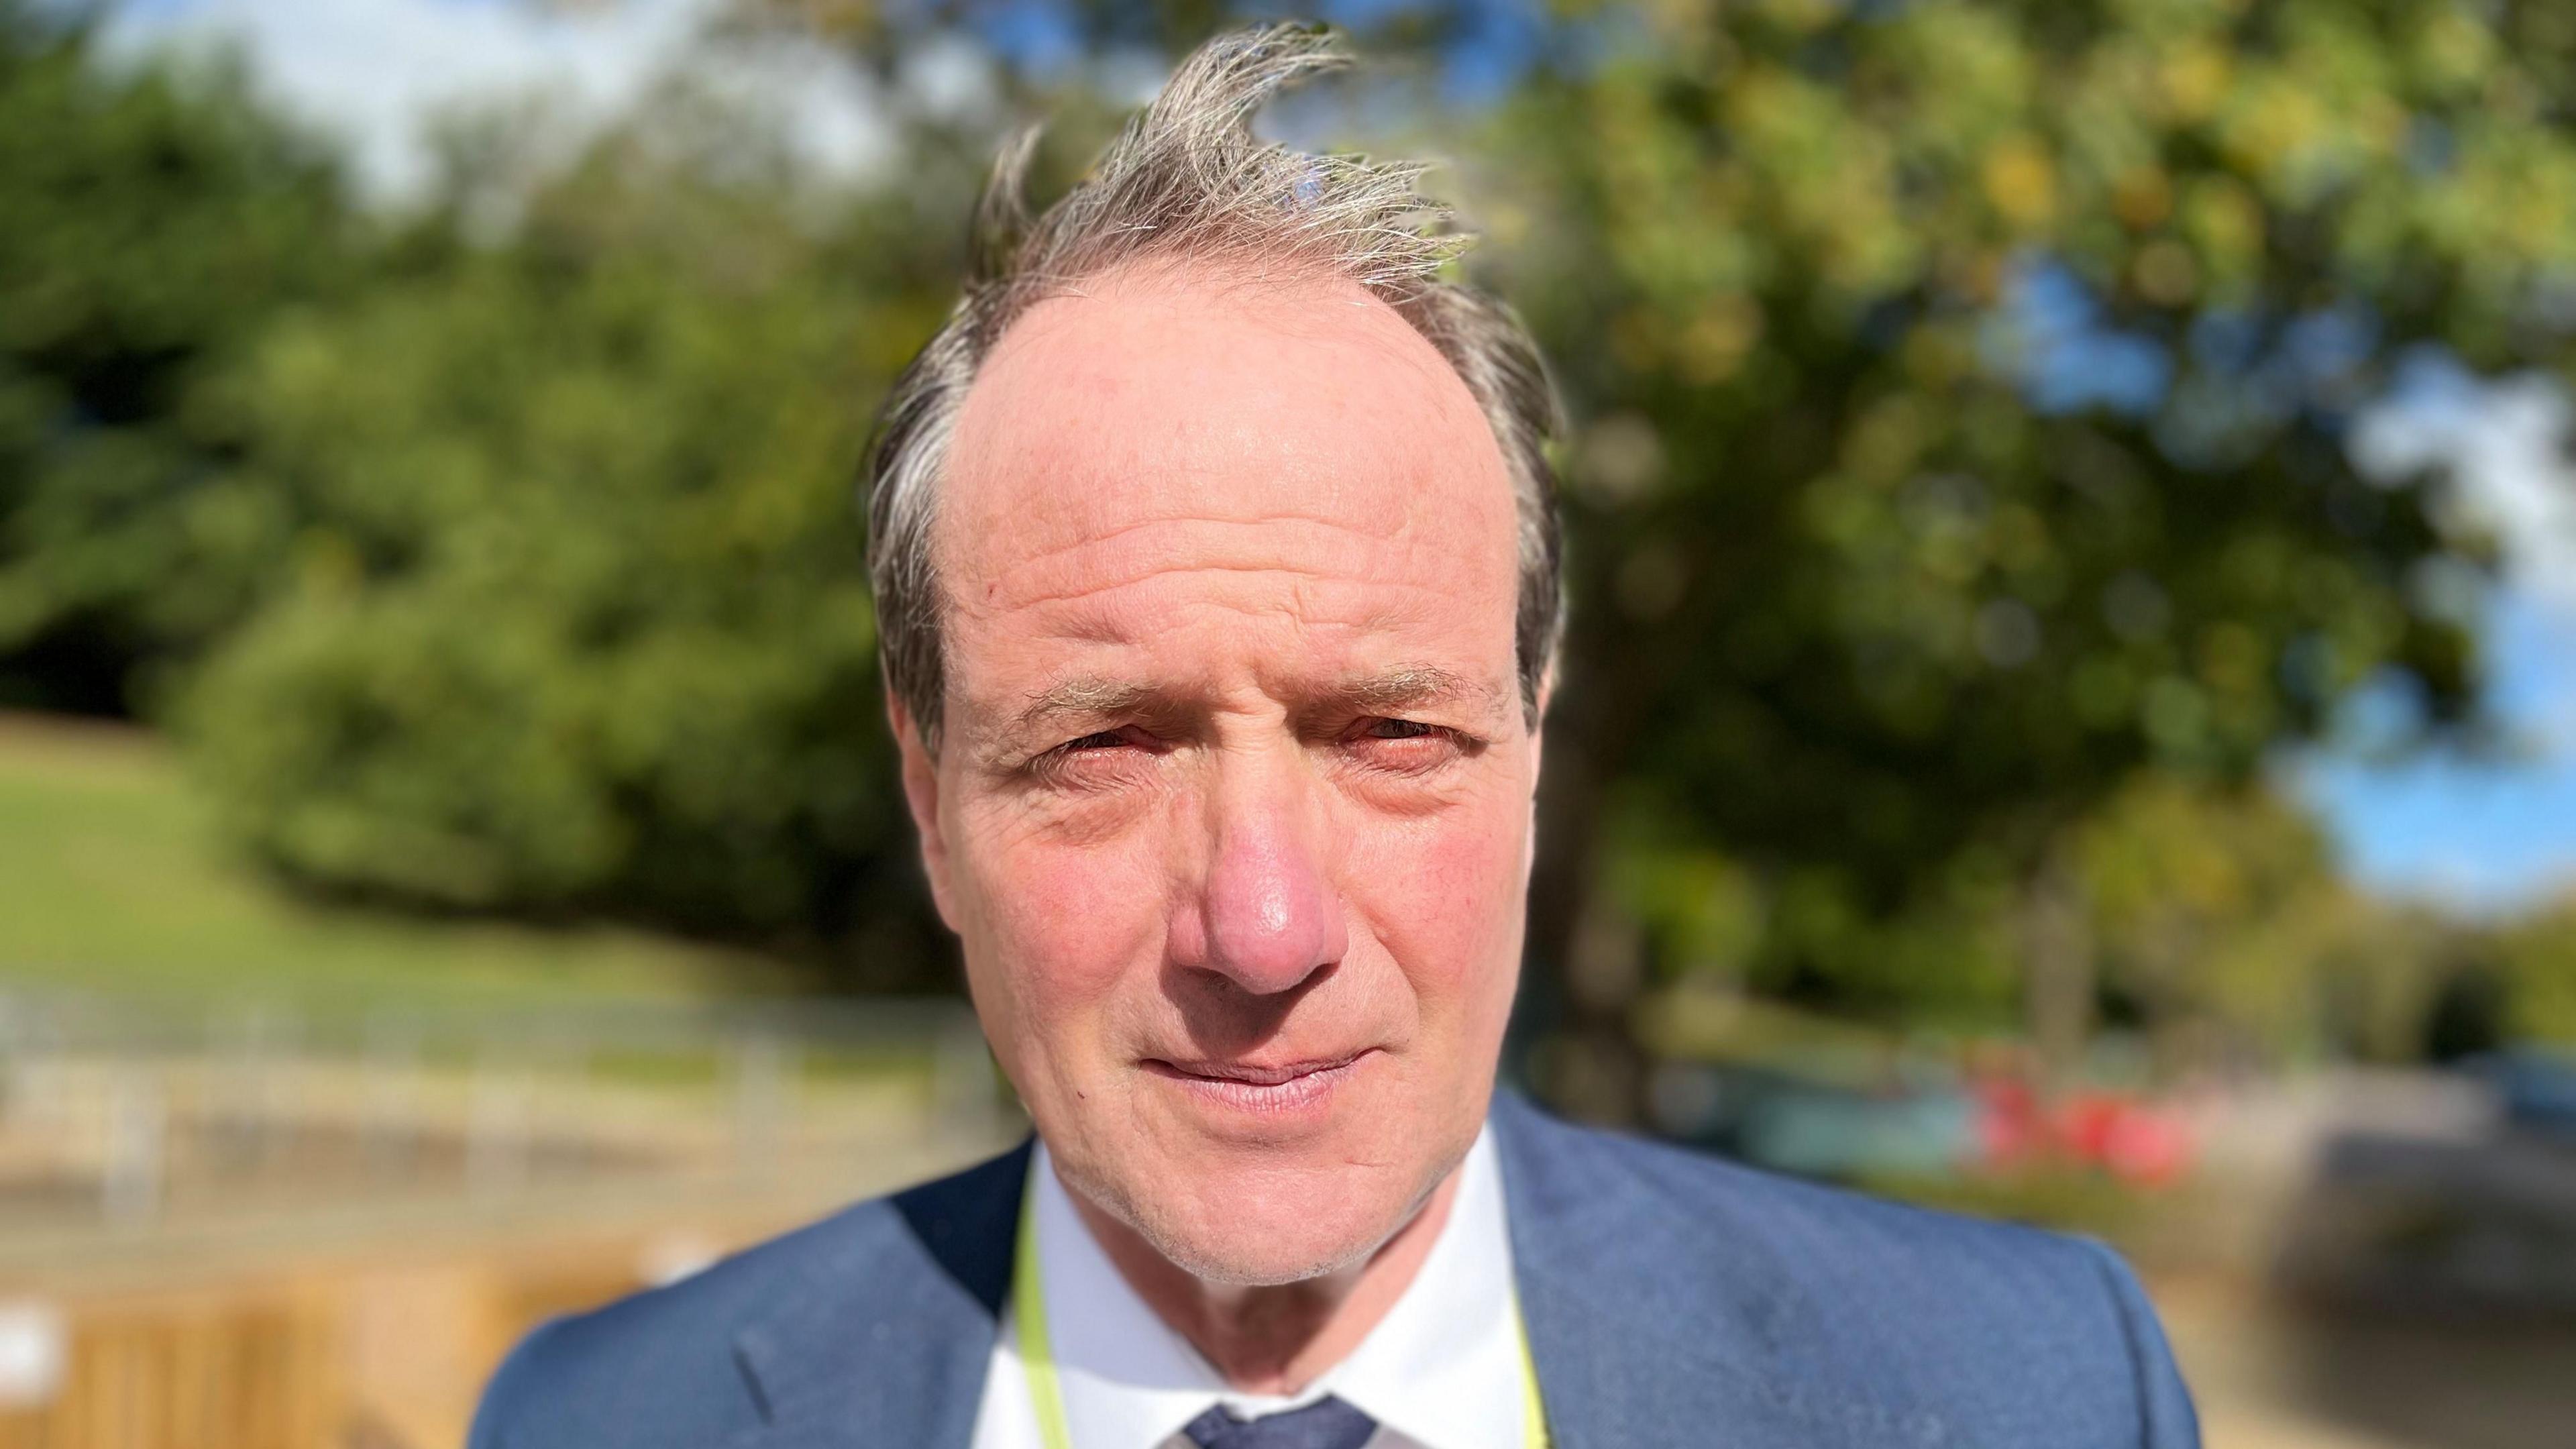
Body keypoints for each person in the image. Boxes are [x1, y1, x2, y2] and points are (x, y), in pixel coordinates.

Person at [468, 24, 2199, 1449]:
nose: (1268, 927)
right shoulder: (601, 1420)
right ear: (931, 805)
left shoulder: (2035, 1393)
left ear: (1530, 751)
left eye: (1388, 732)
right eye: (1108, 748)